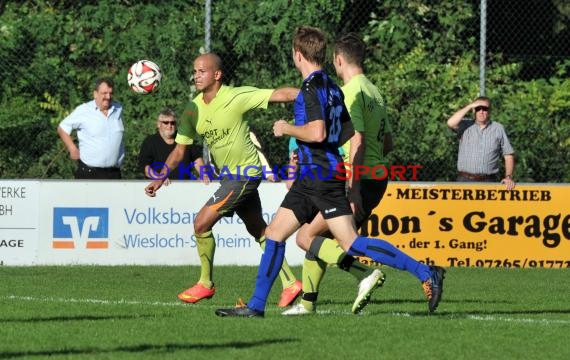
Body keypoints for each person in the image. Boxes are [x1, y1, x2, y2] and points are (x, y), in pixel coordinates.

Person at [215, 26, 445, 318]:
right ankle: (256, 306)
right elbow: (347, 131)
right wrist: (320, 150)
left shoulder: (311, 89)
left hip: (322, 178)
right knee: (274, 234)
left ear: (298, 55)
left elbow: (318, 130)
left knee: (351, 243)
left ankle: (425, 272)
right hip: (315, 176)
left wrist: (287, 128)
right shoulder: (333, 88)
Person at [144, 52, 302, 307]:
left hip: (244, 175)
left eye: (201, 71)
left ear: (217, 75)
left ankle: (205, 283)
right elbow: (180, 150)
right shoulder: (193, 109)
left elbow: (279, 95)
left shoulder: (235, 96)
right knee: (259, 230)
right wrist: (161, 178)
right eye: (194, 71)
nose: (196, 75)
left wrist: (315, 90)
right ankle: (290, 282)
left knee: (200, 224)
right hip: (230, 177)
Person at [282, 32, 394, 316]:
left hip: (356, 177)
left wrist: (353, 187)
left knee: (308, 236)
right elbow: (388, 141)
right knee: (317, 239)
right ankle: (308, 302)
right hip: (377, 174)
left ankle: (376, 273)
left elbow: (356, 139)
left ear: (338, 60)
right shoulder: (375, 92)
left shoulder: (351, 91)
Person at [57, 78, 124, 179]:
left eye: (111, 93)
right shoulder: (84, 110)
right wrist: (72, 148)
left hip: (114, 173)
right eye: (104, 93)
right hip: (89, 173)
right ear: (95, 94)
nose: (108, 97)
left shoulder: (118, 109)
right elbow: (62, 128)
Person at [447, 96, 516, 190]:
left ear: (489, 111)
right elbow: (450, 123)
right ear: (474, 110)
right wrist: (470, 106)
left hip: (488, 182)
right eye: (478, 108)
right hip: (464, 181)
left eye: (485, 108)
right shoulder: (465, 125)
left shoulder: (498, 128)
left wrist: (508, 177)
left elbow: (508, 155)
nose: (481, 111)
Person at [138, 107, 205, 181]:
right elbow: (144, 166)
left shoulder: (184, 139)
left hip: (184, 187)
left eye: (172, 123)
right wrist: (158, 177)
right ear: (158, 124)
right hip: (159, 187)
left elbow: (197, 158)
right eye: (166, 123)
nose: (169, 126)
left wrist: (204, 175)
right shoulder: (150, 142)